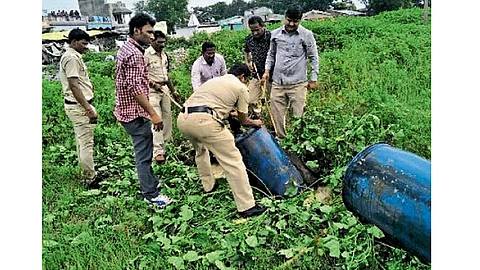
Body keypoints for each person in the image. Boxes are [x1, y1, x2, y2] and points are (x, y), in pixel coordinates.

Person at [177, 63, 267, 218]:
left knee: (201, 151)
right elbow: (245, 121)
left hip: (184, 119)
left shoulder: (215, 81)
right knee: (233, 160)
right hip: (204, 122)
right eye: (246, 80)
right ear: (242, 77)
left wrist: (231, 115)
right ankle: (247, 207)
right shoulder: (240, 87)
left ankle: (208, 186)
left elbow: (214, 104)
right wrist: (255, 123)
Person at [114, 12, 172, 208]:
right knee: (144, 154)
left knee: (144, 150)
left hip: (127, 110)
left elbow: (135, 78)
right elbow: (135, 88)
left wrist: (152, 83)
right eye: (148, 32)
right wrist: (154, 114)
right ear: (136, 30)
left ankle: (151, 182)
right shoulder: (134, 54)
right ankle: (151, 193)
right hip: (134, 113)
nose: (152, 36)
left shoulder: (128, 48)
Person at [261, 7, 319, 140]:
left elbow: (313, 57)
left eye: (295, 21)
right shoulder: (275, 34)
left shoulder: (306, 34)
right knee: (277, 115)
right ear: (284, 17)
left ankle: (300, 142)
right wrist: (267, 71)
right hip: (278, 82)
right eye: (289, 20)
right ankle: (282, 140)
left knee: (299, 116)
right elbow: (271, 54)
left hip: (298, 83)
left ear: (300, 20)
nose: (292, 24)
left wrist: (313, 79)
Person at [58, 29, 100, 189]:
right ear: (74, 42)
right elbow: (74, 85)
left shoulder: (72, 56)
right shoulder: (71, 57)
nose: (86, 47)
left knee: (82, 142)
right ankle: (91, 179)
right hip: (79, 107)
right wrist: (88, 108)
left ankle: (86, 172)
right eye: (83, 43)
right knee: (86, 144)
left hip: (76, 105)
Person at [145, 30, 181, 164]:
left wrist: (174, 91)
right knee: (157, 119)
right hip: (151, 91)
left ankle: (167, 146)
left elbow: (166, 76)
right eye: (159, 42)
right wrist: (154, 84)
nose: (162, 45)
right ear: (152, 41)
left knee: (167, 118)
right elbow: (142, 75)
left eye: (163, 42)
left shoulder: (164, 55)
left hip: (164, 89)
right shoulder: (146, 55)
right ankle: (158, 151)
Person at [244, 16, 272, 118]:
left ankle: (272, 121)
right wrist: (248, 62)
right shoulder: (249, 39)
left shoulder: (271, 36)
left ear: (263, 26)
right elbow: (246, 51)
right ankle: (258, 117)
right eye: (252, 31)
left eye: (257, 30)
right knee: (249, 98)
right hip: (257, 74)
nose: (255, 33)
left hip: (273, 75)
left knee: (273, 101)